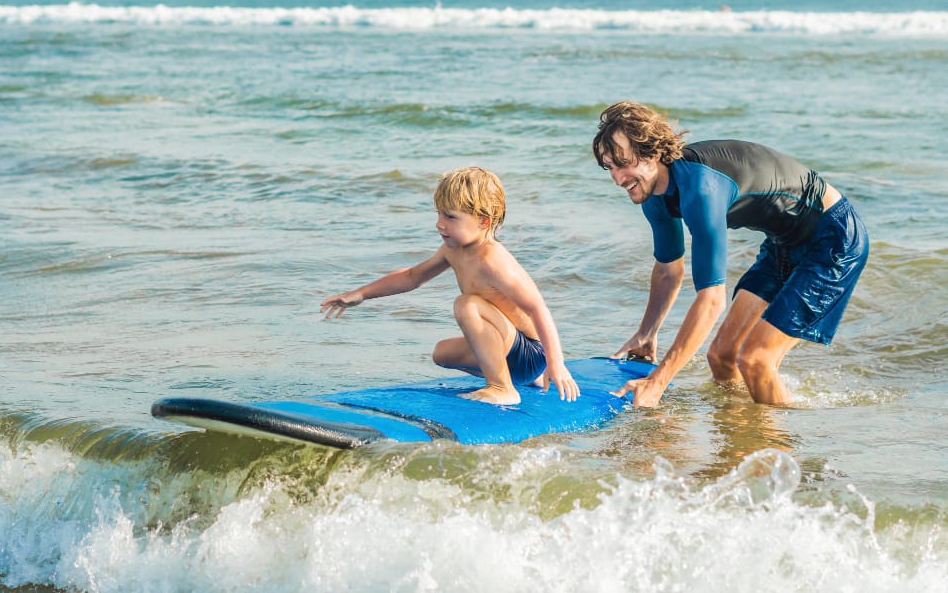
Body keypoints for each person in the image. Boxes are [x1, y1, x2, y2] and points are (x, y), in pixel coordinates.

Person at [591, 101, 869, 407]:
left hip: (833, 238)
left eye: (624, 163)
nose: (618, 179)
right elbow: (669, 269)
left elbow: (712, 300)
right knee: (721, 357)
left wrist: (658, 381)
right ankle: (743, 437)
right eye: (610, 167)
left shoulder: (701, 187)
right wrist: (646, 334)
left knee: (756, 360)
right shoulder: (653, 195)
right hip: (783, 242)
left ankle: (779, 447)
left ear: (653, 152)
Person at [320, 166, 580, 406]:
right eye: (439, 214)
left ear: (483, 221)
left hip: (531, 353)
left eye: (450, 217)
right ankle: (515, 379)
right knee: (441, 354)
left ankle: (502, 388)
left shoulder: (494, 261)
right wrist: (360, 294)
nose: (439, 223)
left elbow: (538, 309)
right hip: (515, 356)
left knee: (467, 304)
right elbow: (412, 276)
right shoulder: (452, 250)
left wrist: (556, 363)